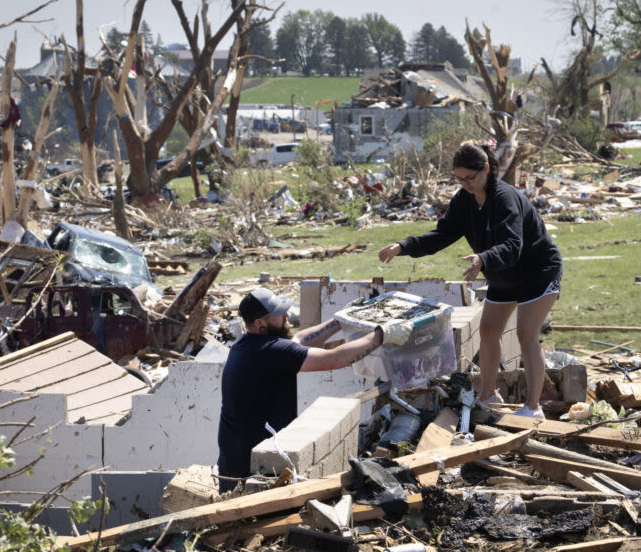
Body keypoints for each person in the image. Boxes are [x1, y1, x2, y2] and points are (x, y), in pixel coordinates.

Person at [378, 141, 562, 418]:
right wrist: (403, 246)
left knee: (526, 334)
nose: (464, 184)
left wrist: (484, 258)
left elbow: (513, 244)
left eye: (470, 177)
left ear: (486, 168)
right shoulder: (463, 200)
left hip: (538, 271)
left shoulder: (505, 199)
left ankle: (533, 408)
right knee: (488, 331)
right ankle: (489, 397)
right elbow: (442, 235)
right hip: (504, 273)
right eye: (459, 178)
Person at [217, 288, 410, 492]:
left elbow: (299, 340)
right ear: (260, 323)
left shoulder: (247, 345)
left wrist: (340, 320)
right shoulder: (270, 351)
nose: (286, 316)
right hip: (250, 476)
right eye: (278, 314)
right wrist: (380, 336)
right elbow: (334, 359)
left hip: (234, 466)